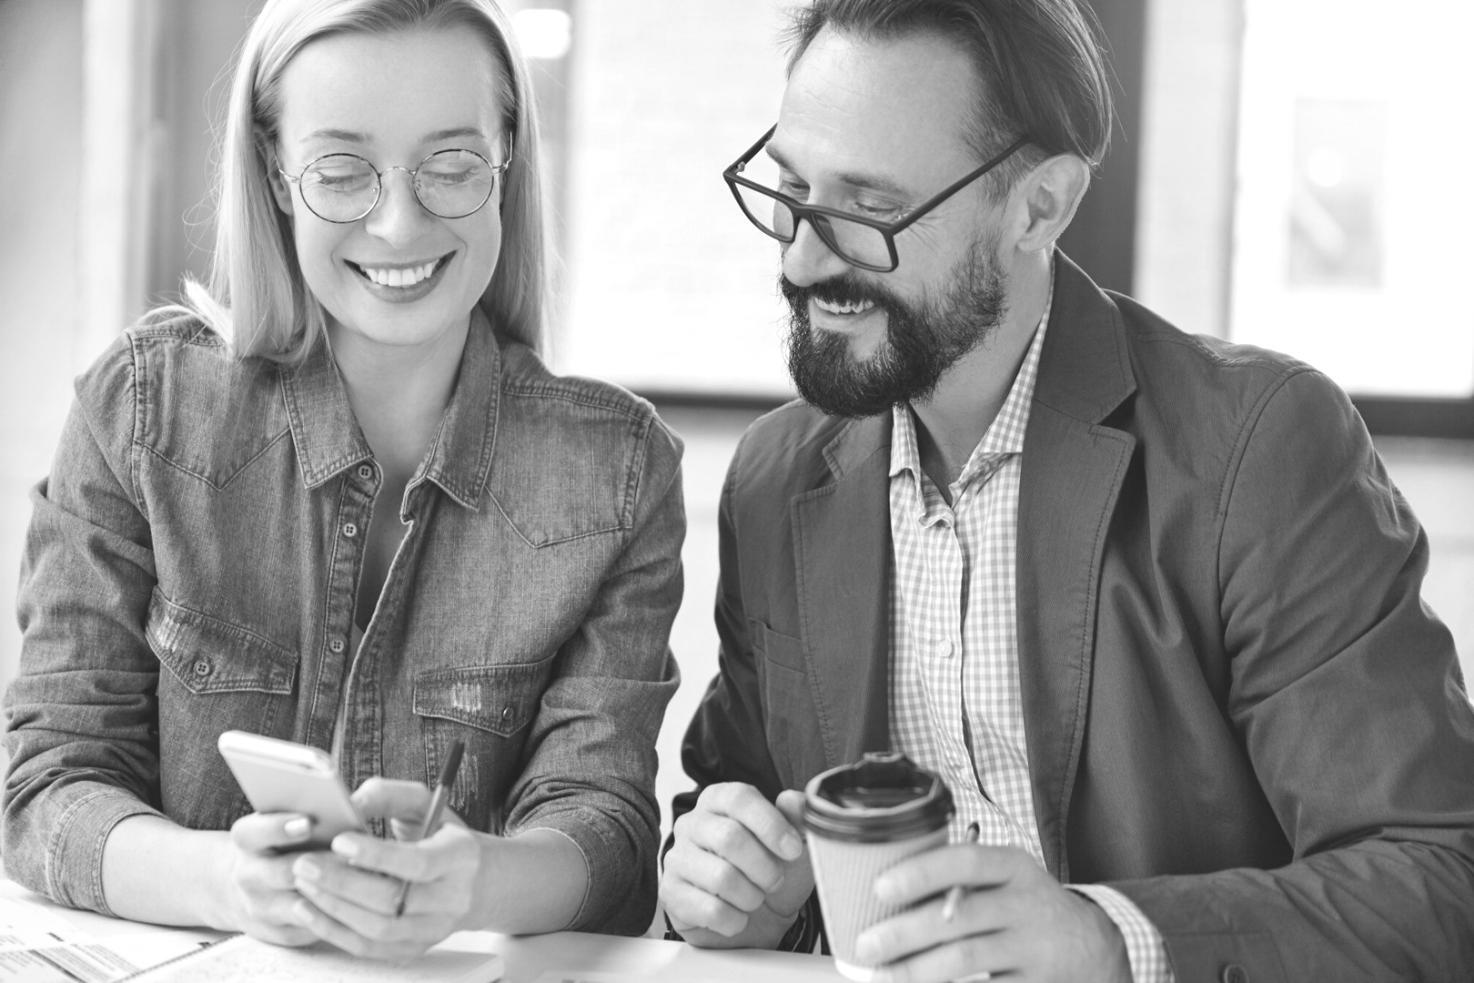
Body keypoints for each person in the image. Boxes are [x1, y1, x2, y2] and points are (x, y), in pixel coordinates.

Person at [658, 1, 1474, 980]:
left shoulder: (1258, 447)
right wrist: (730, 888)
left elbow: (1436, 878)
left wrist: (1107, 938)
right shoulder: (776, 476)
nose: (800, 258)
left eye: (869, 208)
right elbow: (736, 820)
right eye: (792, 190)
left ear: (1038, 208)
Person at [3, 0, 684, 961]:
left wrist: (472, 881)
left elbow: (607, 837)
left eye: (452, 164)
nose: (399, 223)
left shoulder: (618, 472)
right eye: (340, 171)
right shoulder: (143, 411)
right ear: (274, 176)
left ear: (507, 164)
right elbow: (49, 786)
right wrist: (228, 880)